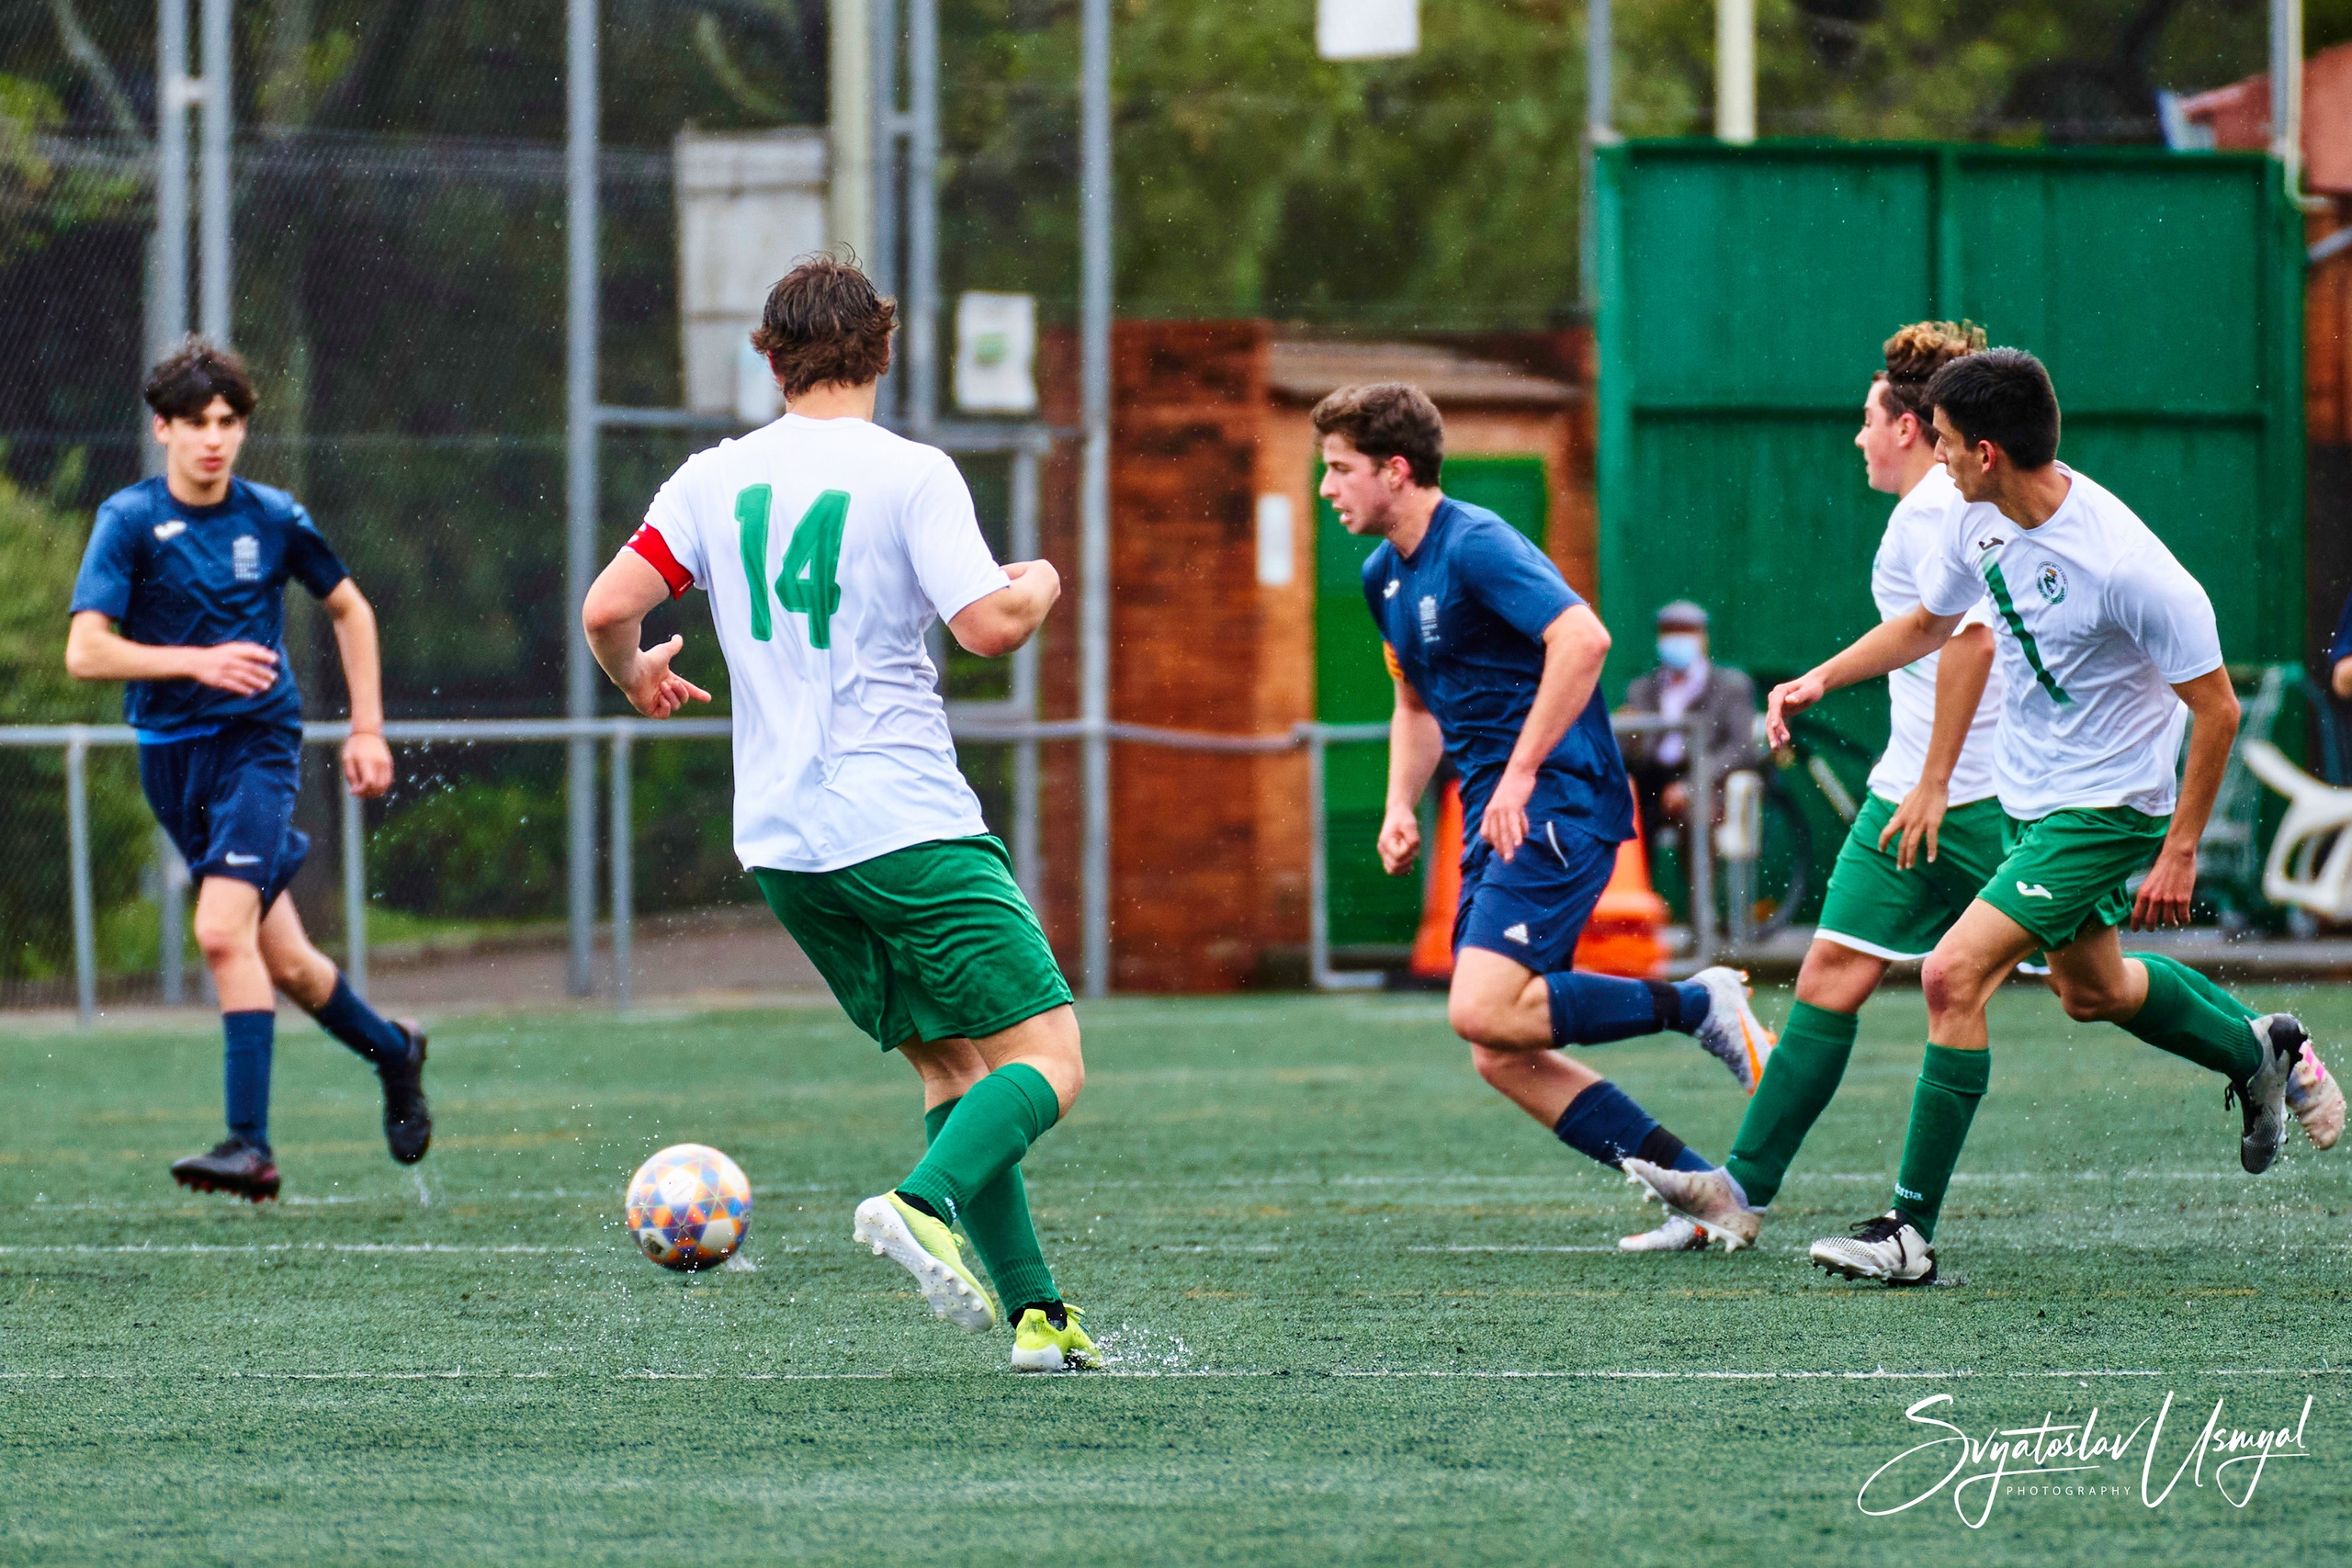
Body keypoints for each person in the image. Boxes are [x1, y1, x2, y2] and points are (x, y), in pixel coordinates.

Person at [1641, 346, 2343, 1284]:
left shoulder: (2129, 567)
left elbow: (2214, 709)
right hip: (2025, 801)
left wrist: (2178, 849)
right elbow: (1931, 626)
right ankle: (2257, 1049)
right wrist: (1819, 679)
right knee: (2092, 990)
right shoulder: (1975, 517)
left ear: (1983, 451)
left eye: (1939, 439)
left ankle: (1907, 1232)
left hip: (2106, 810)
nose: (1929, 454)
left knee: (1951, 974)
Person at [582, 255, 1094, 1371]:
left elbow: (609, 605)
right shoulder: (911, 474)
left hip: (784, 845)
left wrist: (636, 676)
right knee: (1051, 1059)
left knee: (953, 1071)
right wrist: (1044, 578)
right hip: (905, 823)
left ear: (770, 360)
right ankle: (919, 1203)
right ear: (885, 351)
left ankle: (1038, 1318)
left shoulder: (712, 479)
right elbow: (991, 627)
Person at [1317, 381, 1775, 1255]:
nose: (1327, 487)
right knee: (1500, 1047)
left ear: (1396, 470)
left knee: (1483, 1008)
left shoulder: (1476, 542)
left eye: (1340, 469)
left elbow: (1584, 639)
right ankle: (1707, 1194)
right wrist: (1399, 804)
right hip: (1496, 816)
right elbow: (1414, 704)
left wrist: (1522, 769)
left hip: (1557, 797)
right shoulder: (1384, 576)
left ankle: (1699, 1001)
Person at [1623, 321, 2000, 1251]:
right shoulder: (1924, 511)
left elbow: (1970, 643)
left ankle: (2261, 1047)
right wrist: (1821, 680)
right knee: (1830, 975)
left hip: (1985, 800)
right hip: (1906, 792)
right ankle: (1736, 1194)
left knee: (2093, 986)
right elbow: (1925, 633)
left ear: (1907, 427)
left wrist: (1937, 781)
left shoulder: (1936, 511)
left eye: (1867, 419)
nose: (1857, 435)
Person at [65, 339, 429, 1203]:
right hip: (170, 759)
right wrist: (195, 661)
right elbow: (86, 651)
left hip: (256, 748)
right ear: (163, 429)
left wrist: (367, 728)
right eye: (196, 422)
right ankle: (395, 1051)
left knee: (221, 933)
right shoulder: (129, 520)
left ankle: (250, 1146)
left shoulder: (272, 516)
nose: (214, 438)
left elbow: (350, 608)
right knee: (290, 963)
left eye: (229, 422)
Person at [1617, 602, 1763, 848]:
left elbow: (1741, 749)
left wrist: (1690, 785)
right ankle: (1630, 875)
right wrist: (1631, 739)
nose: (1677, 639)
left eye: (1685, 631)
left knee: (1697, 815)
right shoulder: (1641, 689)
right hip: (1650, 781)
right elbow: (1628, 755)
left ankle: (1700, 875)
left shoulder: (1730, 687)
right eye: (1669, 631)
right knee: (1622, 811)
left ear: (1703, 637)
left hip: (1706, 780)